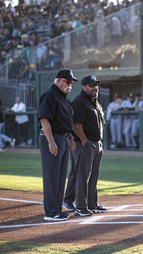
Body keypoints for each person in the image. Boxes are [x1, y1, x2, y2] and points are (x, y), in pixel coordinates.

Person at [37, 69, 78, 221]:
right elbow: (44, 120)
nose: (70, 85)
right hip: (52, 137)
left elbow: (66, 121)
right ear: (59, 80)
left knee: (60, 177)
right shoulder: (50, 95)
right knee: (51, 176)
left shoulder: (63, 97)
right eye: (68, 82)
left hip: (63, 138)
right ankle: (50, 212)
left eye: (71, 82)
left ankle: (57, 209)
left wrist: (71, 138)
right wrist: (51, 141)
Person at [72, 75, 107, 217]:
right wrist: (85, 141)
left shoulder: (95, 103)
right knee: (83, 176)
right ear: (84, 87)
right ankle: (80, 207)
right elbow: (76, 124)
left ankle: (92, 204)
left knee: (93, 176)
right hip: (85, 144)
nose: (95, 88)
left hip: (97, 144)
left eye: (96, 85)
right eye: (92, 85)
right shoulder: (79, 102)